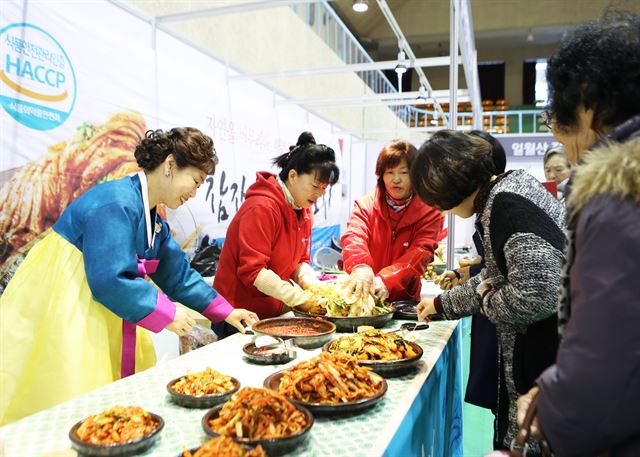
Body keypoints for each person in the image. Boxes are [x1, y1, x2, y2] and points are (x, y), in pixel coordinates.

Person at [0, 127, 258, 425]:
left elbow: (177, 274)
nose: (194, 193)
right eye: (195, 181)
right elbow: (110, 279)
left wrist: (226, 311)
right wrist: (168, 313)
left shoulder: (152, 219)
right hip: (65, 301)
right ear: (170, 165)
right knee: (62, 385)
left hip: (102, 304)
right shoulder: (115, 202)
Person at [516, 11, 640, 457]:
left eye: (558, 110)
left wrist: (551, 400)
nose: (559, 131)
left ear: (587, 104)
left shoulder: (617, 198)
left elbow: (604, 369)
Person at [412, 130, 566, 452]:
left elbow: (538, 292)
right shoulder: (507, 190)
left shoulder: (505, 206)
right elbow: (493, 277)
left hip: (543, 357)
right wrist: (440, 304)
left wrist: (486, 299)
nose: (441, 209)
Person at [213, 132, 339, 338]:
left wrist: (311, 283)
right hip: (238, 313)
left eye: (324, 188)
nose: (319, 194)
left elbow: (300, 260)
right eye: (315, 186)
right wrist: (298, 298)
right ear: (292, 176)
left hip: (271, 312)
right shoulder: (261, 207)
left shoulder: (303, 209)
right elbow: (253, 271)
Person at [438, 130, 505, 415]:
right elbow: (494, 263)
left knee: (502, 395)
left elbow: (502, 271)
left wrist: (444, 303)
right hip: (491, 311)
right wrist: (462, 274)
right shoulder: (486, 206)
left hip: (502, 319)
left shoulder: (501, 204)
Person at [340, 139, 443, 302]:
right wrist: (361, 266)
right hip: (365, 296)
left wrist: (386, 281)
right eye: (390, 172)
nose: (396, 179)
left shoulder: (429, 211)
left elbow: (421, 251)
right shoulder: (365, 205)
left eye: (404, 172)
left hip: (404, 300)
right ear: (381, 175)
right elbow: (354, 236)